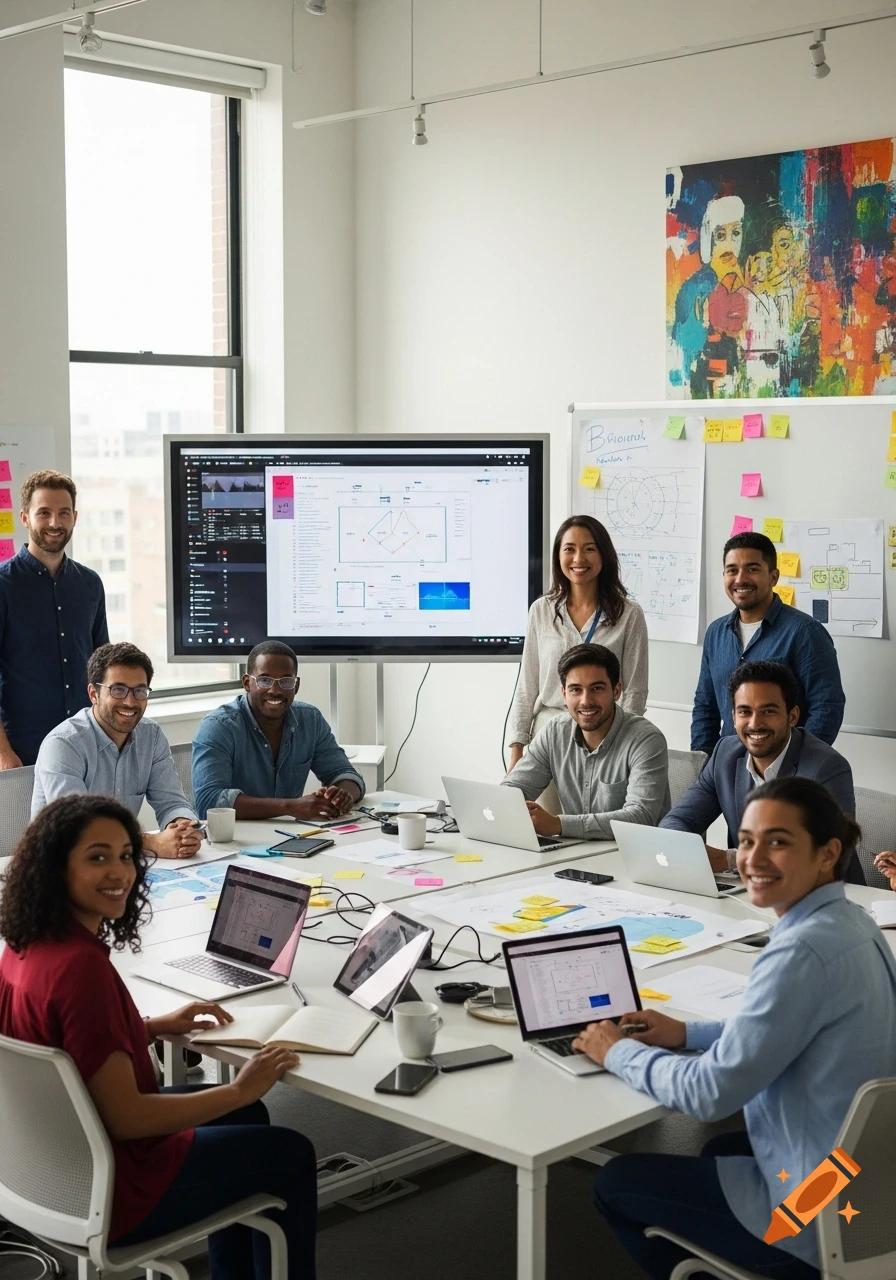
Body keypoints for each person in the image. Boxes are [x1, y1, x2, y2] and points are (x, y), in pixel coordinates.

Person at [577, 777, 896, 1280]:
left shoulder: (800, 952)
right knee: (721, 1150)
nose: (753, 858)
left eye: (778, 842)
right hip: (866, 1188)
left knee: (613, 1184)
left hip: (811, 1218)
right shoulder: (854, 923)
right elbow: (788, 1028)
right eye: (746, 840)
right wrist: (688, 1035)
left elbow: (709, 1096)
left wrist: (615, 1050)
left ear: (827, 853)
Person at [0, 794, 316, 1279]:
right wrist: (238, 1086)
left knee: (247, 1116)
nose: (120, 872)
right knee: (291, 1150)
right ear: (55, 867)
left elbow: (61, 1044)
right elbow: (127, 1118)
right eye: (97, 857)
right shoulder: (80, 969)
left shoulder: (25, 947)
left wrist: (150, 1027)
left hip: (52, 1169)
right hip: (116, 1187)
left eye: (126, 855)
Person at [664, 660, 863, 884]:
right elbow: (677, 820)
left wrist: (730, 859)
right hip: (753, 891)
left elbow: (832, 851)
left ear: (793, 716)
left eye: (768, 711)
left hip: (822, 895)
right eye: (744, 712)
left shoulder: (826, 766)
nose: (755, 723)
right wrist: (687, 849)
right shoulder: (725, 754)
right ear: (733, 716)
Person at [31, 642, 200, 860]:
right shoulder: (64, 744)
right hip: (59, 867)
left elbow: (172, 802)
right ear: (94, 694)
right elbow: (76, 829)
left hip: (117, 862)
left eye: (140, 691)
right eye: (118, 690)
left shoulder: (152, 736)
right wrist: (150, 842)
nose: (130, 702)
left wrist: (183, 829)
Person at [506, 515, 649, 773]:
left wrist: (622, 746)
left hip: (605, 735)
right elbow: (526, 687)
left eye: (589, 549)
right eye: (569, 549)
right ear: (558, 556)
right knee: (540, 813)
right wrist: (517, 748)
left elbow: (635, 691)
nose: (578, 559)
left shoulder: (629, 614)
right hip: (548, 737)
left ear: (603, 555)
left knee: (599, 815)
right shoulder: (541, 610)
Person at [691, 532, 844, 758]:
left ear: (773, 577)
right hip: (727, 769)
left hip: (783, 773)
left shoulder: (805, 632)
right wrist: (705, 764)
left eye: (752, 569)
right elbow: (705, 706)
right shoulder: (716, 633)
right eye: (732, 570)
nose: (740, 579)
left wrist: (796, 765)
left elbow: (827, 706)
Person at [501, 643, 669, 840]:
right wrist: (502, 805)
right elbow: (512, 790)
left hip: (637, 856)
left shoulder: (646, 740)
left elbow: (640, 816)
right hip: (575, 854)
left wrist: (558, 824)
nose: (585, 700)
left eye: (596, 688)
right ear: (563, 693)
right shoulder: (554, 732)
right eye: (575, 690)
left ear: (616, 691)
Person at [0, 469, 108, 768]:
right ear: (25, 518)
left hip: (86, 744)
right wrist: (3, 753)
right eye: (44, 513)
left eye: (63, 513)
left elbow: (104, 669)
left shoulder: (90, 583)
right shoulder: (4, 586)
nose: (54, 523)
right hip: (24, 751)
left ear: (74, 516)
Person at [192, 640, 365, 822]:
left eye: (286, 681)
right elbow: (209, 801)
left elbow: (346, 774)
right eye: (264, 680)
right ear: (246, 683)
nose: (275, 690)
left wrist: (343, 795)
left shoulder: (310, 720)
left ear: (296, 686)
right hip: (235, 840)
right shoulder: (218, 727)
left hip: (291, 837)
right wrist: (291, 807)